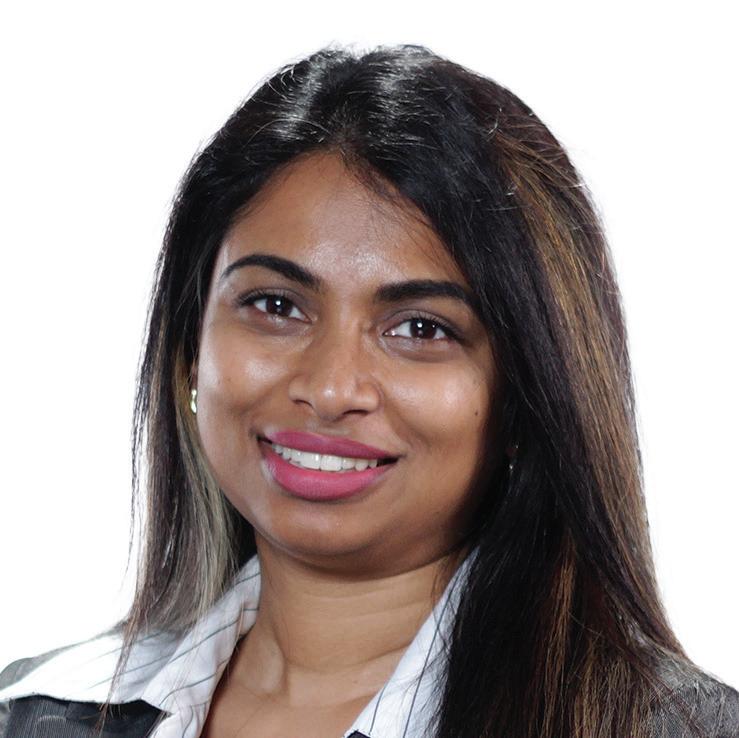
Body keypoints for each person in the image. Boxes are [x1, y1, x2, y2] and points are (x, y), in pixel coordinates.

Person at [0, 43, 737, 738]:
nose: (329, 389)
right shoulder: (32, 713)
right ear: (191, 352)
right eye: (276, 305)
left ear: (525, 396)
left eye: (419, 328)